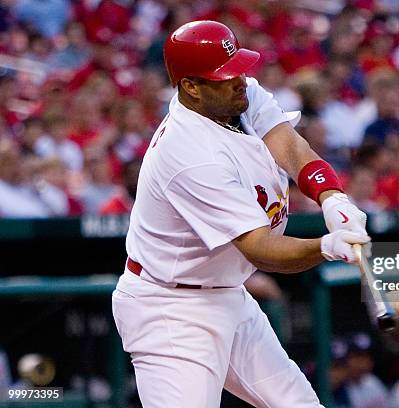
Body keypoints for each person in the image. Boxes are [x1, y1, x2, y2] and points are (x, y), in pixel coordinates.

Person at [111, 20, 371, 408]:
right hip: (171, 310)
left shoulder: (237, 97)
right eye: (225, 75)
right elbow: (260, 248)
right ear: (191, 88)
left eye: (238, 69)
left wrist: (332, 199)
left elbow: (290, 146)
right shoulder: (189, 153)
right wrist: (326, 246)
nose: (240, 80)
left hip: (228, 294)